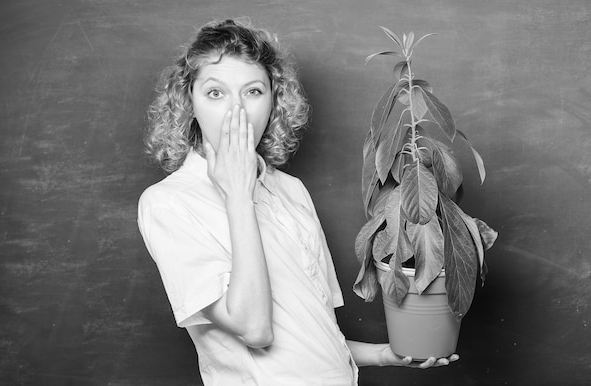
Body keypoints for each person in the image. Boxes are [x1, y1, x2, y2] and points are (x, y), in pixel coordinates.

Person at [137, 18, 458, 385]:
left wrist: (384, 355)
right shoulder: (168, 203)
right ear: (188, 102)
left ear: (274, 101)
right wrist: (238, 197)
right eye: (215, 93)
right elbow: (255, 330)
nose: (236, 111)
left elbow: (311, 337)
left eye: (253, 91)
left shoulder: (290, 189)